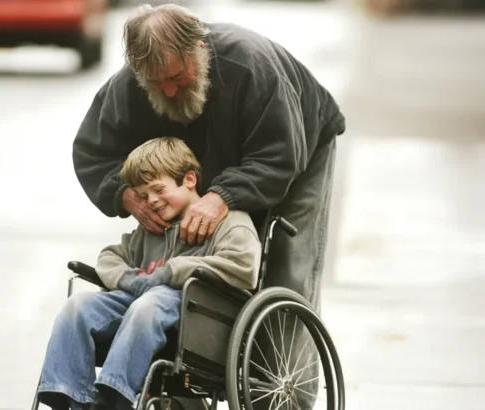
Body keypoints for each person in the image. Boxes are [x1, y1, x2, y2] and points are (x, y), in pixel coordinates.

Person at [72, 4, 345, 409]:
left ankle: (286, 401)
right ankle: (185, 386)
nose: (166, 90)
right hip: (196, 171)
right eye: (155, 82)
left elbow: (279, 156)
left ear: (199, 50)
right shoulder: (132, 83)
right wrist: (124, 194)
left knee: (284, 268)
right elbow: (92, 152)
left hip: (293, 151)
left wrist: (222, 197)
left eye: (177, 78)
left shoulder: (249, 67)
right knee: (178, 258)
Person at [37, 137, 261, 410]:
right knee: (78, 305)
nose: (151, 201)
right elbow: (110, 256)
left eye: (157, 190)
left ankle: (113, 398)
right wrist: (128, 278)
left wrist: (171, 272)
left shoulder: (230, 220)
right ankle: (69, 398)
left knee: (151, 301)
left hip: (196, 315)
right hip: (138, 307)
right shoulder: (152, 227)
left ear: (189, 180)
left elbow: (244, 268)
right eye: (143, 196)